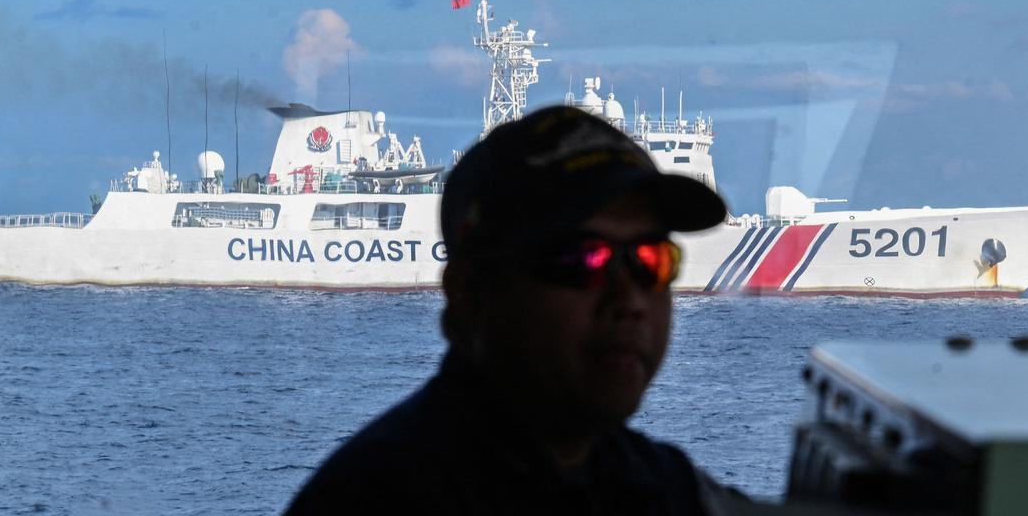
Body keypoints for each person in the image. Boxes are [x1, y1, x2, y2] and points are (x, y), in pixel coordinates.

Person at [284, 105, 742, 515]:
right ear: (471, 294)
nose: (629, 300)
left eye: (652, 260)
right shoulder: (373, 499)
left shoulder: (657, 482)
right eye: (579, 259)